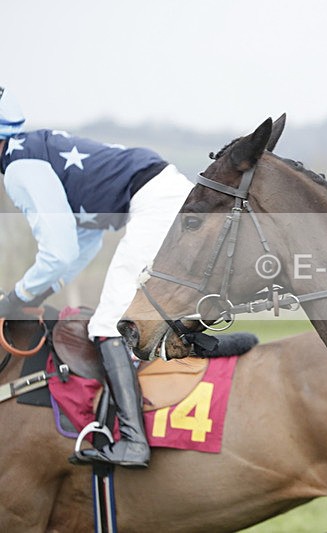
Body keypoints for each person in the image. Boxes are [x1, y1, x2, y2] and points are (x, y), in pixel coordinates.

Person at [0, 86, 194, 468]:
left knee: (107, 325)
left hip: (157, 203)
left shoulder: (20, 168)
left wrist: (16, 297)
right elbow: (81, 243)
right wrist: (38, 293)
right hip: (168, 193)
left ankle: (133, 443)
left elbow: (59, 252)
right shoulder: (34, 149)